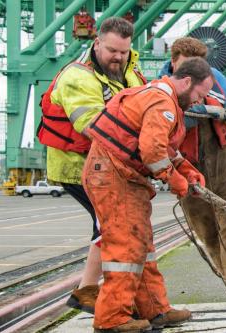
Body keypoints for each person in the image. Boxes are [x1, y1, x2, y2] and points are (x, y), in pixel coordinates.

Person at [81, 57, 213, 332]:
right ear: (187, 81)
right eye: (200, 94)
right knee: (126, 247)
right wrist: (178, 182)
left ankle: (155, 308)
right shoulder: (163, 102)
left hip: (121, 176)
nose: (199, 101)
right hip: (113, 176)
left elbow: (163, 147)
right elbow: (153, 153)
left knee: (142, 246)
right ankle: (111, 318)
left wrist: (186, 170)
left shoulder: (159, 96)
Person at [36, 17, 147, 314]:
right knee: (112, 227)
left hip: (110, 166)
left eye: (123, 52)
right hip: (79, 167)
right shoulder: (77, 77)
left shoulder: (131, 72)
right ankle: (101, 296)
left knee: (109, 226)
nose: (118, 57)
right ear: (96, 43)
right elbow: (92, 126)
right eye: (112, 50)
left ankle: (89, 290)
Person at [157, 37, 226, 310]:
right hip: (186, 164)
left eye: (197, 67)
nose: (191, 74)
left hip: (223, 157)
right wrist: (217, 111)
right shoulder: (159, 88)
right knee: (206, 230)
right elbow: (183, 115)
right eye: (185, 67)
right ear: (173, 60)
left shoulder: (215, 78)